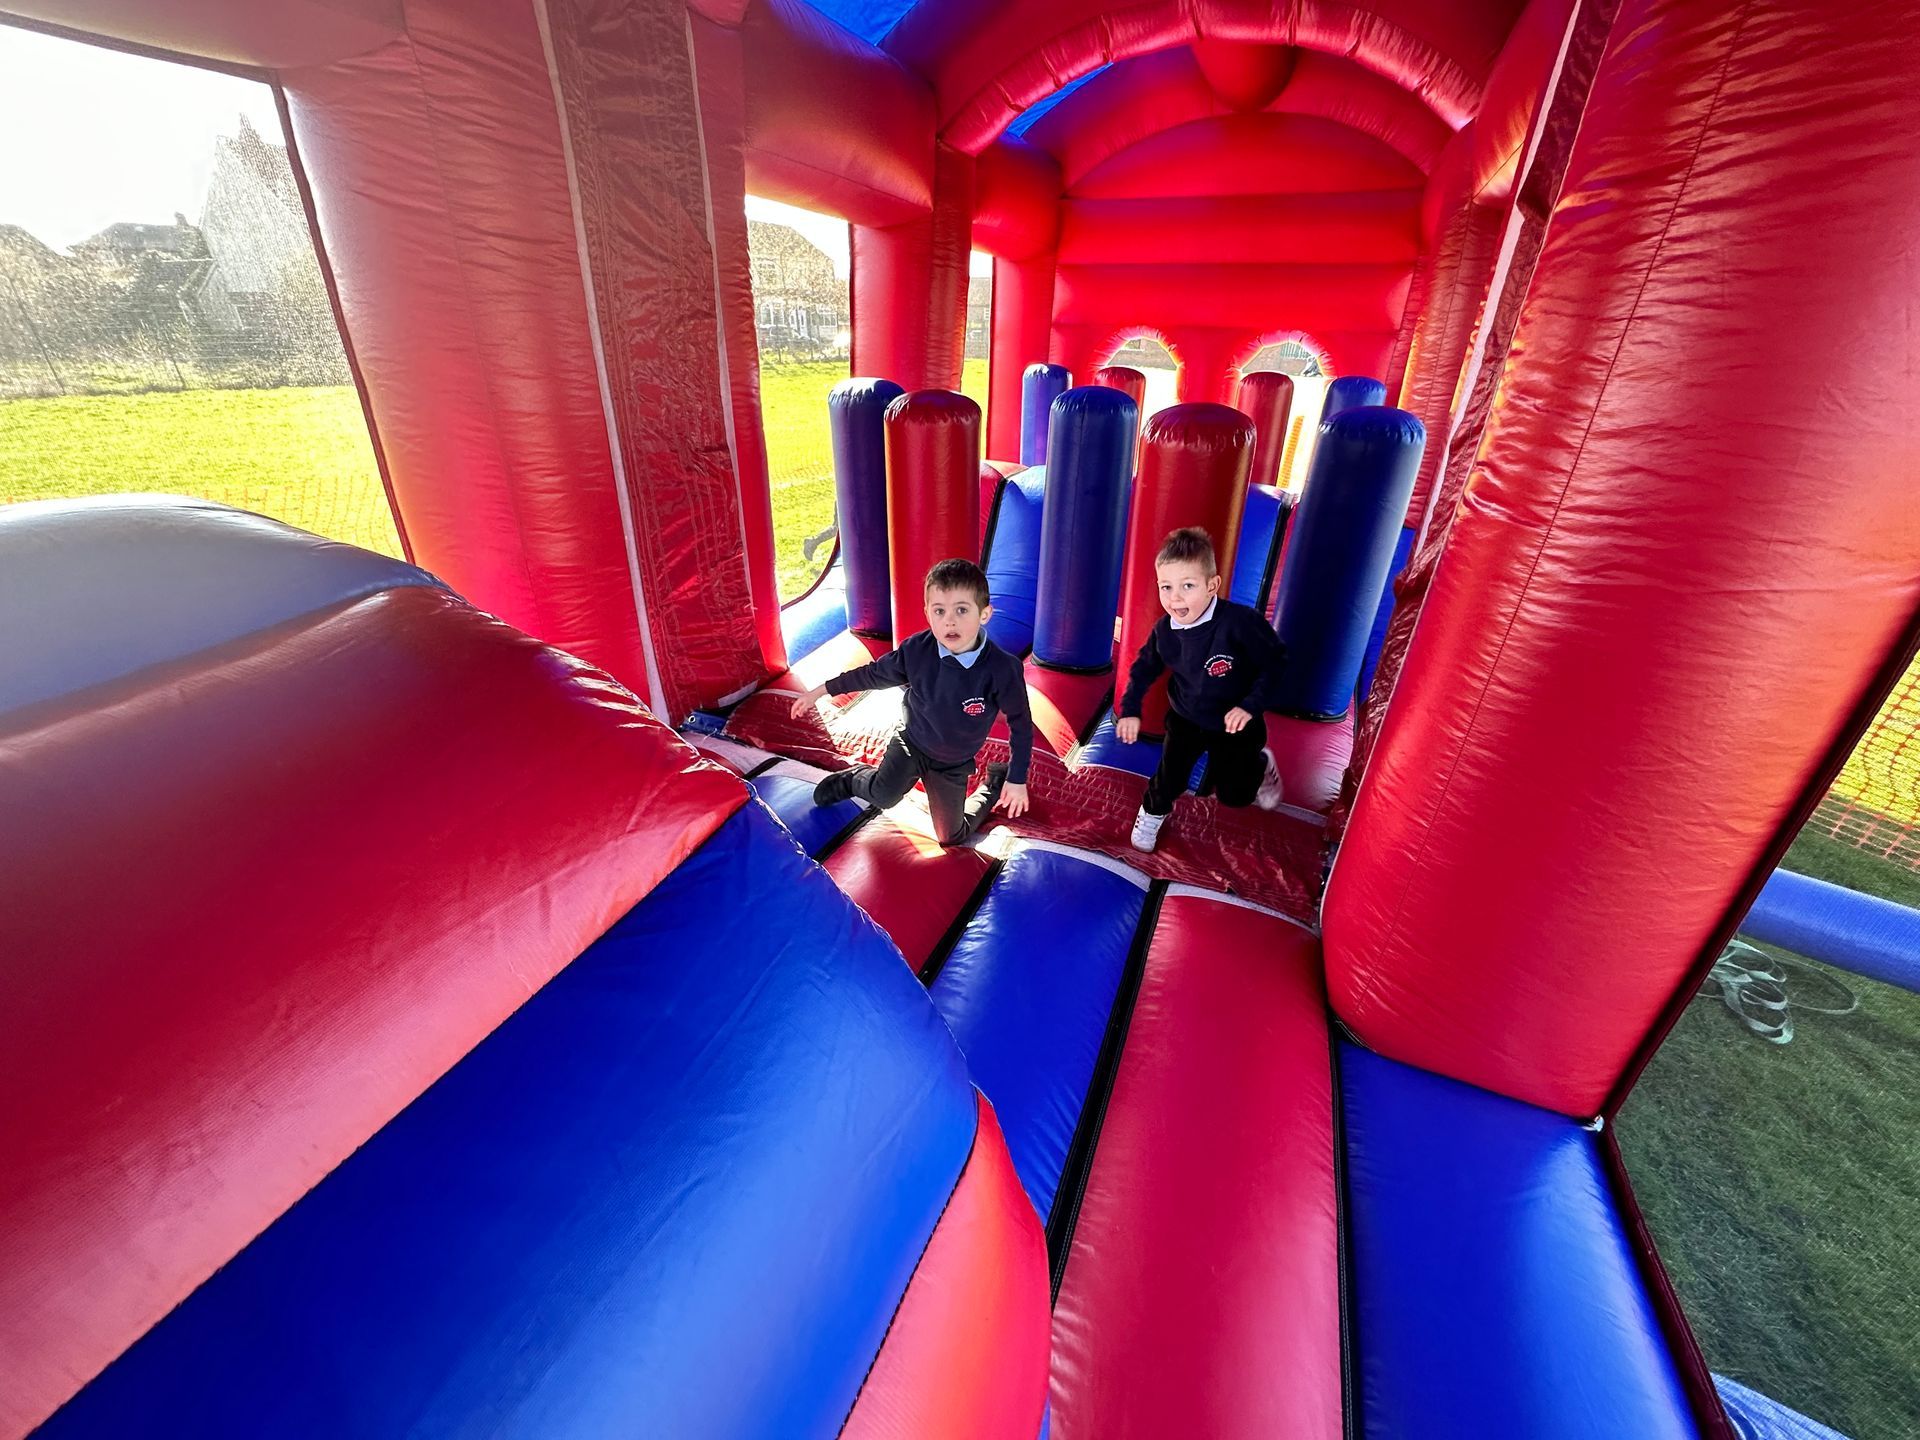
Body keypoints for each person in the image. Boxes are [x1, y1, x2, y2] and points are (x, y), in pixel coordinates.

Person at [790, 557, 1032, 844]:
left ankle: (995, 782)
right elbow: (873, 675)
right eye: (939, 611)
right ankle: (852, 779)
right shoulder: (917, 650)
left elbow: (1021, 724)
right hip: (912, 743)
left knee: (951, 836)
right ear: (927, 613)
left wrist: (1017, 778)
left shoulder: (1002, 668)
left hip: (953, 761)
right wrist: (823, 690)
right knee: (883, 795)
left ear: (984, 614)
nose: (950, 620)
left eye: (962, 610)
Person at [1116, 526, 1285, 852]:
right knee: (1170, 776)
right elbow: (1144, 668)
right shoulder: (1165, 631)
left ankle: (1261, 765)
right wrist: (1132, 708)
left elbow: (1276, 662)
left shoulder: (1240, 624)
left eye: (1187, 586)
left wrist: (1250, 705)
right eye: (1166, 587)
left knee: (1235, 796)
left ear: (1212, 586)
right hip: (1187, 717)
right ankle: (1152, 811)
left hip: (1235, 721)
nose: (1175, 598)